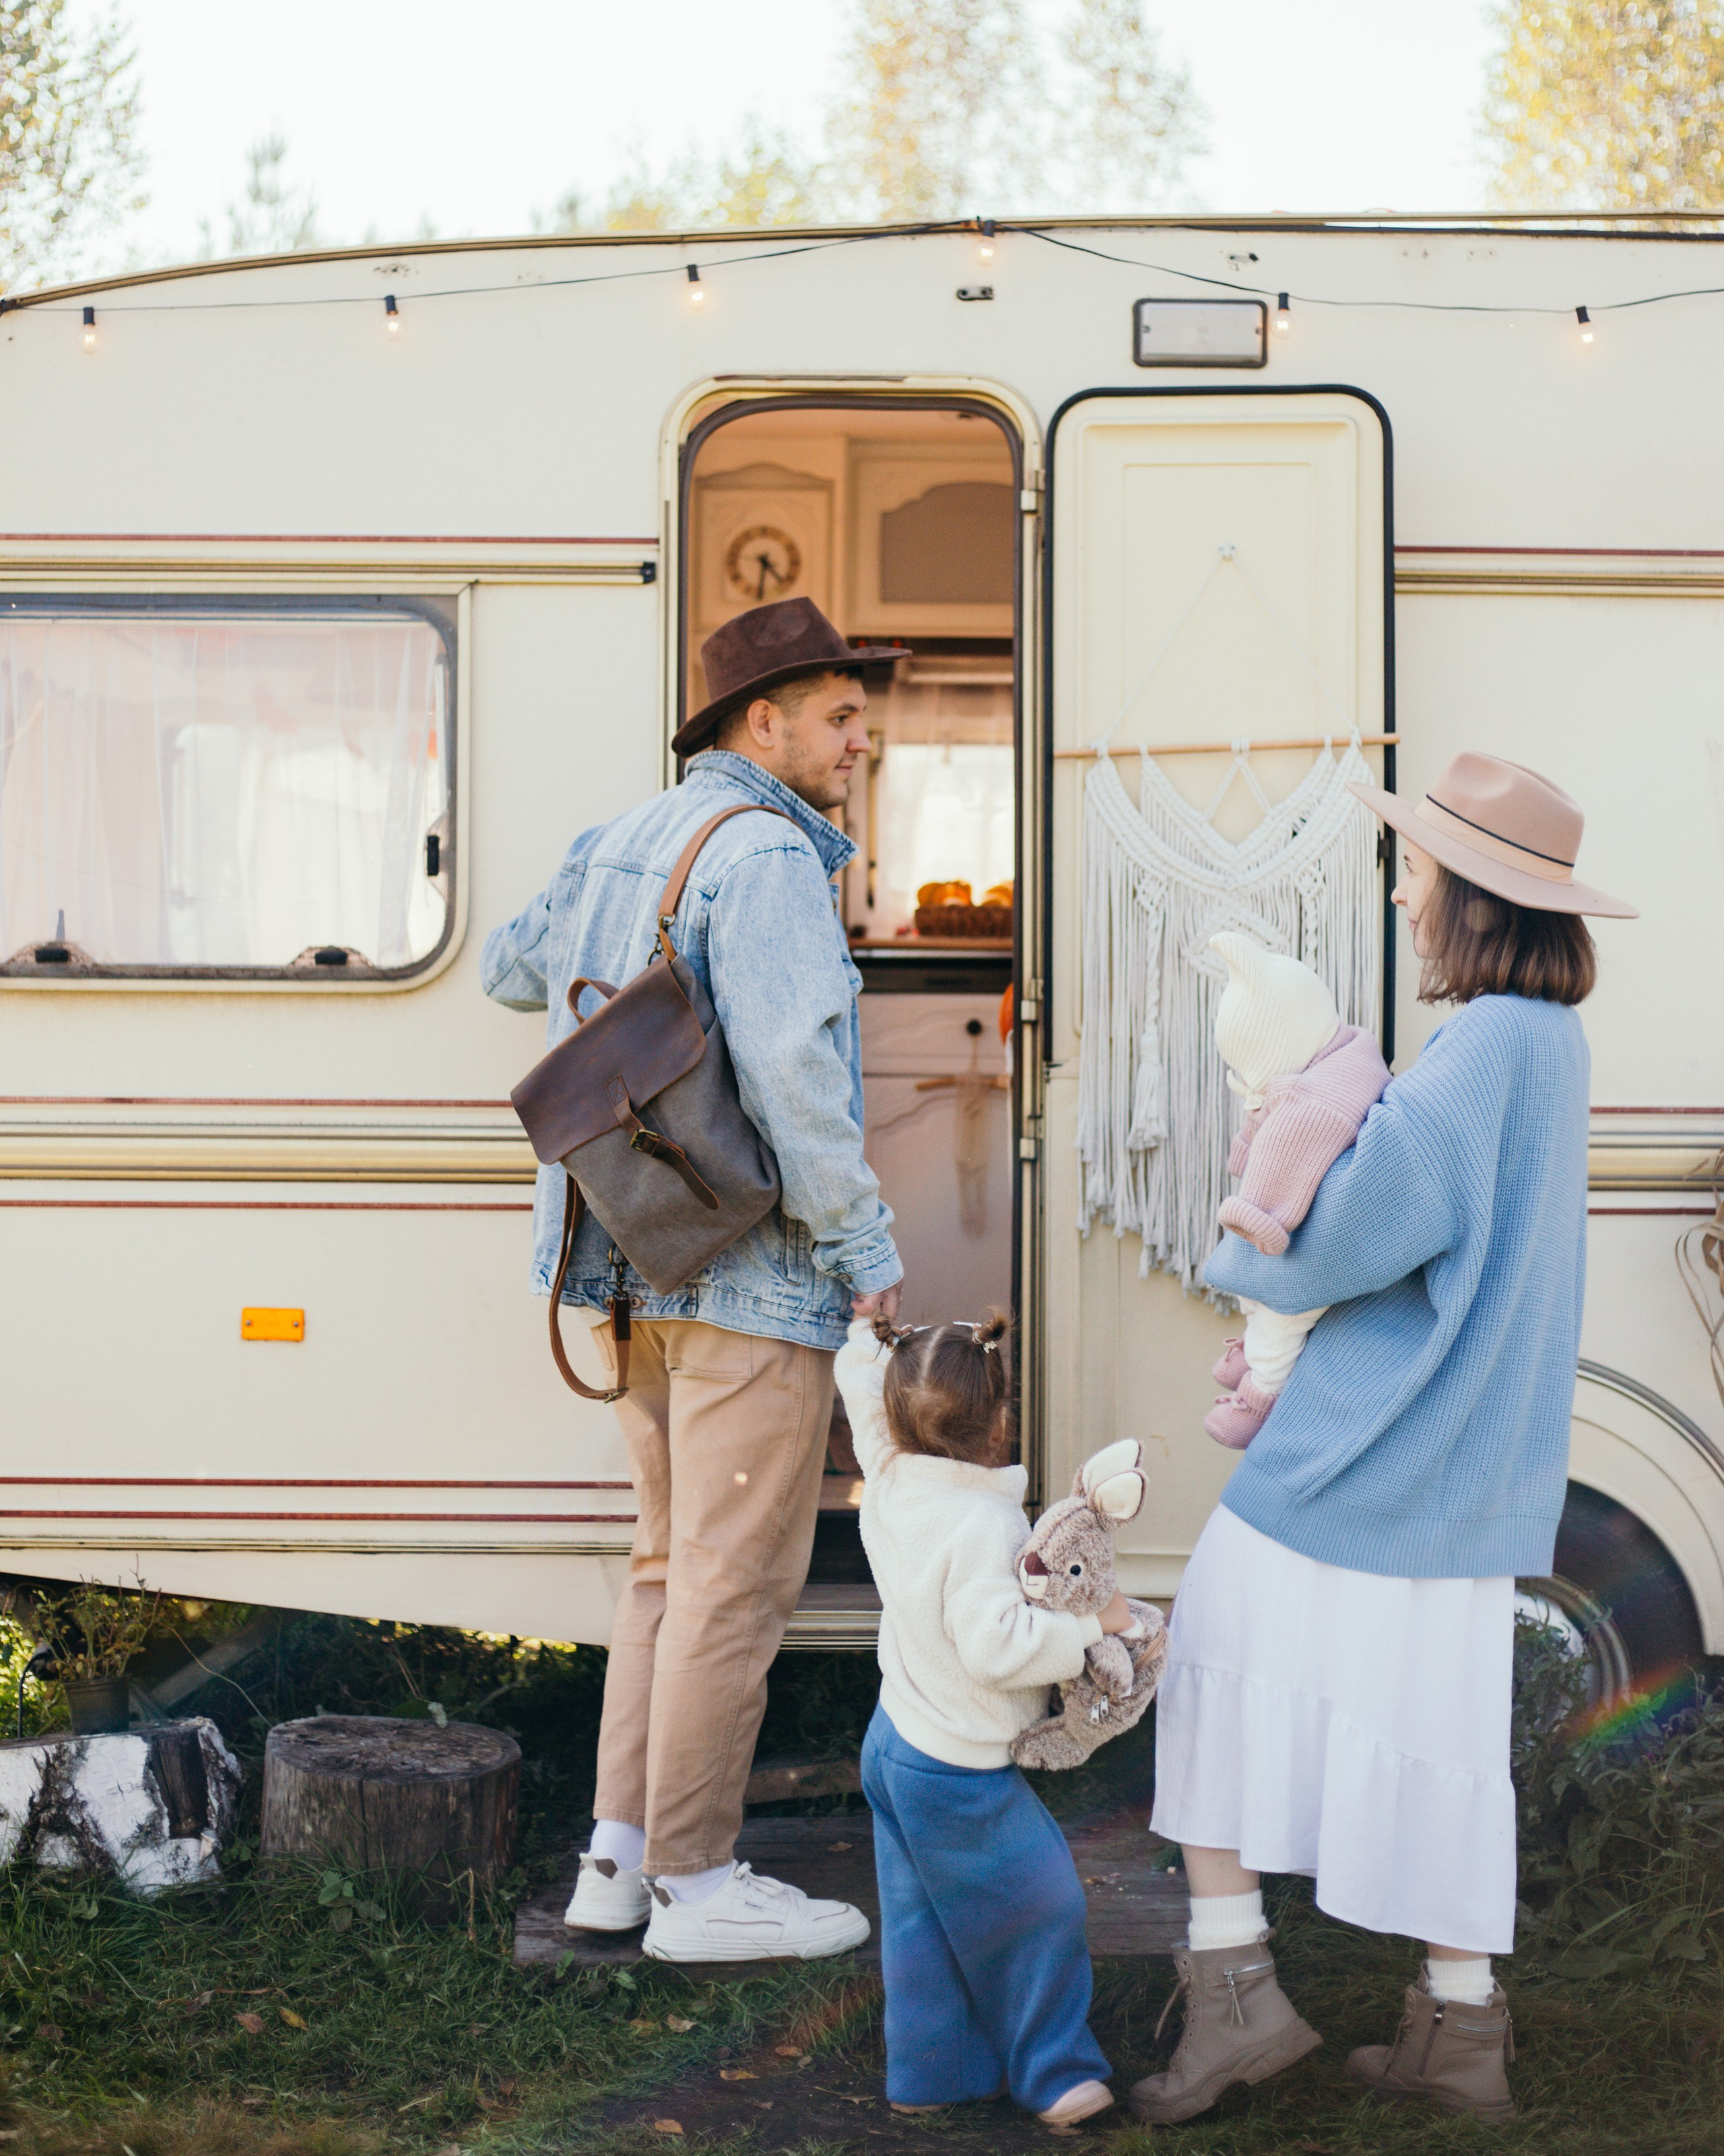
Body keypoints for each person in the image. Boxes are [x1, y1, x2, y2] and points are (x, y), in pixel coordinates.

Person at [1133, 752, 1636, 2127]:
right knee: (1432, 1734)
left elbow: (1345, 1234)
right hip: (1463, 1467)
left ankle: (1237, 1996)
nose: (1401, 881)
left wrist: (1275, 1168)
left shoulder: (1481, 1043)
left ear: (1468, 891)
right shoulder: (1542, 1037)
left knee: (1215, 1661)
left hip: (1371, 1449)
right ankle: (1457, 2032)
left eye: (1414, 862)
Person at [482, 596, 905, 1963]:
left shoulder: (620, 838)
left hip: (617, 1267)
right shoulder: (769, 856)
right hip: (742, 1276)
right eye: (840, 715)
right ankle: (702, 1884)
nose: (862, 738)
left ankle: (616, 1864)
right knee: (731, 1584)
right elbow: (793, 1079)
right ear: (760, 720)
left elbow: (506, 968)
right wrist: (868, 1257)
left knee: (664, 1570)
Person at [835, 1310, 1136, 2129]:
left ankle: (936, 2072)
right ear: (1001, 1420)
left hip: (895, 1740)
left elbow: (858, 1390)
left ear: (896, 1413)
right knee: (1039, 1908)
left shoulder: (887, 1470)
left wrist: (864, 1338)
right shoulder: (985, 1524)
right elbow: (997, 1648)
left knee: (923, 1922)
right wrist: (1091, 1627)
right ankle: (1057, 2076)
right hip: (956, 1770)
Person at [1201, 931, 1389, 1450]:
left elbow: (1277, 1174)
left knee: (1282, 1306)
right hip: (1330, 1217)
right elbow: (1268, 1119)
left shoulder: (1312, 1106)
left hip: (1325, 1243)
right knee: (1252, 1278)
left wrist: (1253, 1217)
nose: (1247, 1082)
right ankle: (1254, 1340)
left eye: (1248, 1069)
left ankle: (1258, 1395)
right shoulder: (1346, 1048)